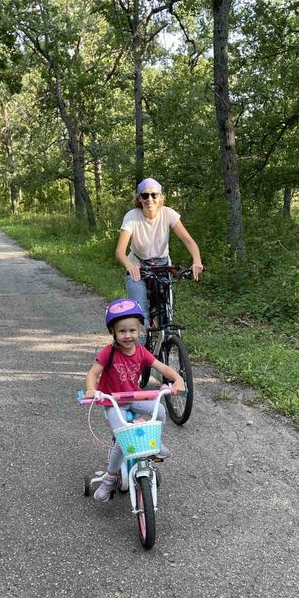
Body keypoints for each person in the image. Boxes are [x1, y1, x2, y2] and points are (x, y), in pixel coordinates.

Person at [84, 298, 184, 502]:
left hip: (133, 396)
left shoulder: (141, 351)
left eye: (132, 330)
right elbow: (93, 374)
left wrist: (178, 379)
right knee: (123, 438)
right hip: (113, 401)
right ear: (113, 332)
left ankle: (154, 443)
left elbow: (161, 367)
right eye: (122, 331)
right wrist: (91, 390)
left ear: (140, 330)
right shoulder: (108, 353)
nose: (128, 335)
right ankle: (110, 478)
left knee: (161, 411)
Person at [115, 178, 203, 332]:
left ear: (161, 198)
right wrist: (129, 266)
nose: (150, 199)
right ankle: (140, 352)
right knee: (141, 316)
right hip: (138, 266)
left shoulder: (168, 214)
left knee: (167, 315)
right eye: (145, 195)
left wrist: (196, 261)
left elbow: (189, 241)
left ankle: (167, 344)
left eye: (154, 195)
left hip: (163, 266)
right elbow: (120, 252)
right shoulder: (132, 216)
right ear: (139, 199)